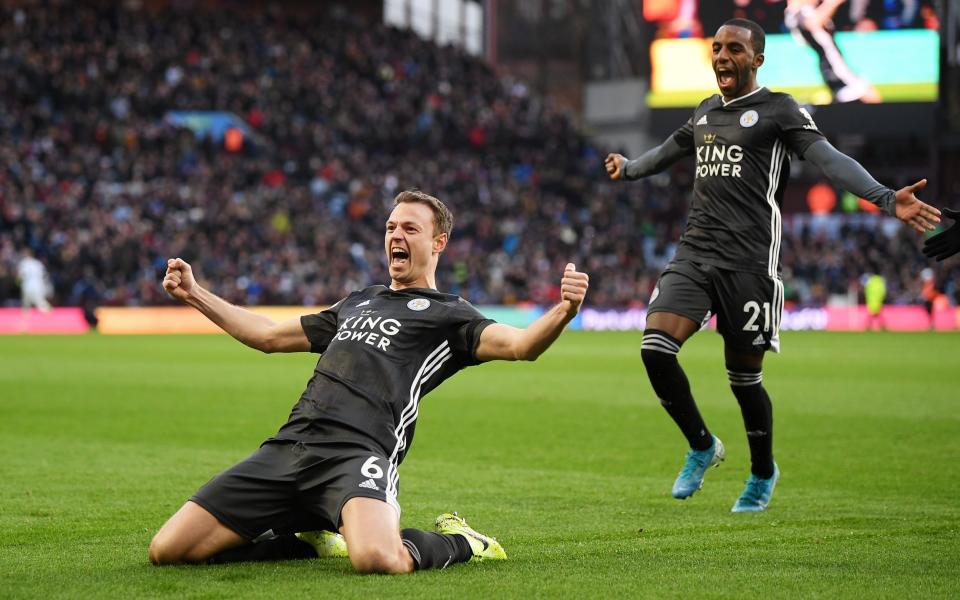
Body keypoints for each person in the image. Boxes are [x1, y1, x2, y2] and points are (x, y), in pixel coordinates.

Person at [148, 189, 590, 573]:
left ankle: (463, 541)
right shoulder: (358, 302)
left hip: (357, 455)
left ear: (439, 243)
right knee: (168, 550)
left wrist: (562, 311)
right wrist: (195, 293)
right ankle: (301, 542)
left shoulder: (450, 315)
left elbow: (521, 346)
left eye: (410, 229)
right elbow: (266, 335)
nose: (396, 236)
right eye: (391, 227)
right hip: (290, 447)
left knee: (379, 560)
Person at [604, 18, 939, 512]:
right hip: (695, 255)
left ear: (757, 59)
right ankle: (701, 445)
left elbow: (829, 160)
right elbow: (665, 154)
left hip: (751, 266)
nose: (721, 56)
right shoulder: (703, 113)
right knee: (655, 349)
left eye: (734, 49)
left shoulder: (779, 110)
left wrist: (887, 199)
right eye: (717, 48)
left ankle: (762, 472)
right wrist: (628, 168)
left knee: (744, 381)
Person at [784, 0, 882, 103]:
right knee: (871, 97)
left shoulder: (801, 13)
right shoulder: (797, 13)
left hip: (833, 66)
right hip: (834, 67)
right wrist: (832, 3)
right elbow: (812, 23)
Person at [17, 248, 52, 314]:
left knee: (28, 304)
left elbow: (20, 277)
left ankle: (49, 314)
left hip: (28, 287)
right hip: (39, 286)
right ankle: (49, 314)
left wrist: (18, 284)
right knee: (35, 303)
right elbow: (45, 276)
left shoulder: (23, 263)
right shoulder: (38, 263)